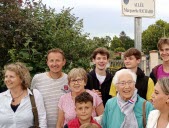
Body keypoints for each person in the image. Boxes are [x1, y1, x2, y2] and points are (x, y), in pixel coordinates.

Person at [0, 62, 47, 128]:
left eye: (11, 77)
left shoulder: (34, 95)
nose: (7, 80)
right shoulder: (1, 98)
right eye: (6, 76)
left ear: (21, 79)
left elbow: (42, 120)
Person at [31, 48, 69, 128]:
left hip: (64, 125)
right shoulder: (37, 79)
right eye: (51, 60)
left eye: (58, 60)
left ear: (64, 62)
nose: (54, 64)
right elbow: (31, 101)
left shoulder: (69, 80)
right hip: (42, 125)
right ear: (47, 62)